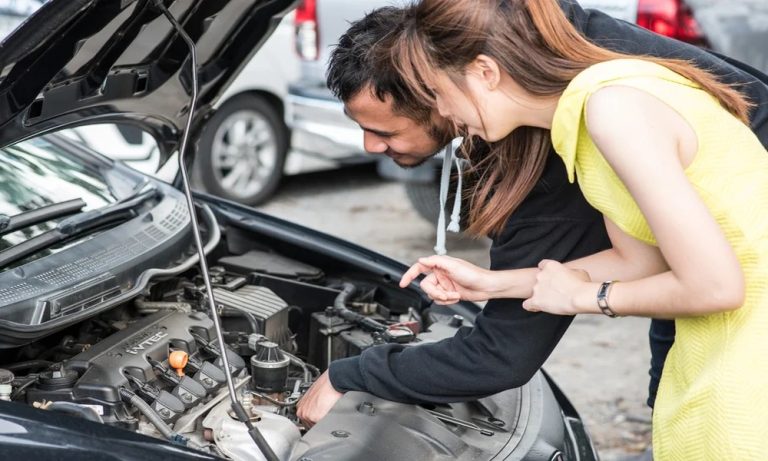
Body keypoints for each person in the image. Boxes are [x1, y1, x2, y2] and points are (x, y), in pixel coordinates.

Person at [296, 0, 768, 438]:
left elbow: (715, 287)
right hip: (720, 331)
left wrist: (587, 297)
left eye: (437, 93)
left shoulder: (612, 110)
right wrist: (496, 282)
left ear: (485, 72)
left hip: (746, 349)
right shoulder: (580, 112)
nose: (443, 112)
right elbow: (641, 259)